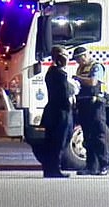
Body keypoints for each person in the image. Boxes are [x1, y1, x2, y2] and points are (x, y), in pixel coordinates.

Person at [72, 46, 109, 175]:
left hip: (96, 105)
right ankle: (91, 166)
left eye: (79, 59)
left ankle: (105, 165)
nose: (78, 62)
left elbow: (93, 82)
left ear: (85, 56)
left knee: (99, 136)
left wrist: (78, 79)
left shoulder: (96, 66)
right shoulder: (81, 68)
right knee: (87, 137)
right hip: (84, 105)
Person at [39, 45, 76, 178]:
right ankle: (53, 169)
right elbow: (65, 93)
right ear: (60, 58)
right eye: (65, 56)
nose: (68, 59)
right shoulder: (59, 74)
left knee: (55, 141)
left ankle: (50, 169)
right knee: (58, 141)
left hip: (55, 111)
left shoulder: (53, 72)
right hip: (60, 112)